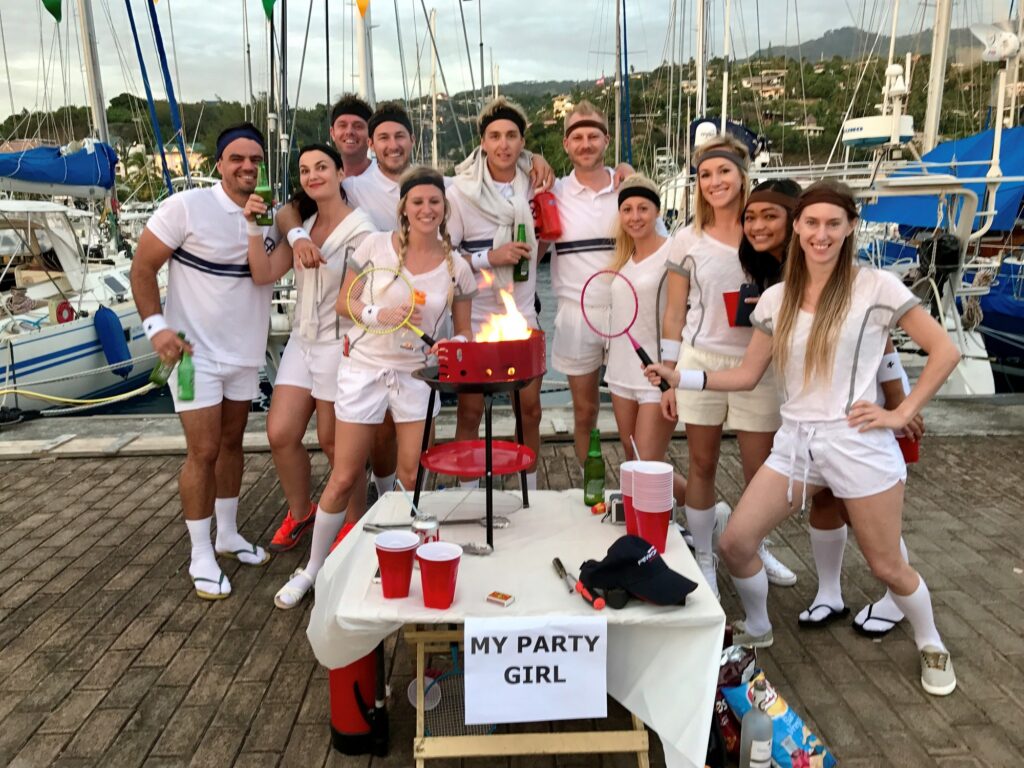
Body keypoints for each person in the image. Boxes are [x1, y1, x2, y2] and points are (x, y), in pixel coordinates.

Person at [647, 181, 960, 696]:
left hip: (856, 440)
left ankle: (932, 643)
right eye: (811, 223)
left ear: (850, 228)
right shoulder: (775, 298)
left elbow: (943, 351)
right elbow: (748, 375)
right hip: (795, 441)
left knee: (886, 563)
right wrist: (683, 377)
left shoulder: (877, 287)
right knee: (736, 542)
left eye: (833, 224)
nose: (821, 234)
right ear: (798, 228)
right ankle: (759, 627)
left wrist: (900, 410)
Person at [277, 166, 476, 607]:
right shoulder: (373, 245)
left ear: (445, 209)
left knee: (412, 476)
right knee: (346, 474)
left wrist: (451, 345)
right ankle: (312, 569)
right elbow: (348, 301)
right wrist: (375, 316)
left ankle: (399, 561)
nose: (426, 209)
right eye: (418, 201)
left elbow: (463, 333)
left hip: (416, 376)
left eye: (435, 202)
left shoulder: (457, 266)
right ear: (403, 206)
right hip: (364, 368)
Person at [741, 179, 923, 635]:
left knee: (871, 518)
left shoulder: (859, 279)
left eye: (769, 217)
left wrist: (899, 405)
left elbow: (875, 341)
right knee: (825, 500)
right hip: (801, 420)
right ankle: (829, 593)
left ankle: (898, 600)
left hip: (852, 417)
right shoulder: (767, 277)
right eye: (751, 219)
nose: (758, 227)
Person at [129, 122, 273, 600]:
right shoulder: (186, 206)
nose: (247, 166)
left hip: (246, 353)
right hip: (191, 355)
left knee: (233, 444)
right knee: (203, 451)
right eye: (238, 158)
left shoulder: (269, 215)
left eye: (255, 159)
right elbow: (142, 266)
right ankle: (200, 553)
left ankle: (228, 535)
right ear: (220, 165)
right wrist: (157, 329)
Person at [660, 135, 795, 598]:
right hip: (701, 361)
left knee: (762, 472)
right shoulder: (685, 240)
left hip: (759, 362)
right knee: (702, 462)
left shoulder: (764, 233)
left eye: (724, 172)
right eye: (705, 175)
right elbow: (675, 314)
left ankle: (755, 545)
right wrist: (667, 373)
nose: (715, 181)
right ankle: (704, 556)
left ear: (742, 176)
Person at [243, 144, 377, 574]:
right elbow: (265, 273)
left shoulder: (362, 231)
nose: (313, 175)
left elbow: (361, 297)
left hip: (339, 343)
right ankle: (303, 511)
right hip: (303, 339)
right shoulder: (305, 223)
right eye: (305, 170)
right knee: (280, 432)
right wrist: (254, 229)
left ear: (341, 174)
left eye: (322, 167)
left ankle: (353, 522)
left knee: (336, 440)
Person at [446, 97, 543, 491]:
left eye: (512, 136)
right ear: (482, 142)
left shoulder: (533, 183)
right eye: (495, 136)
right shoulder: (460, 192)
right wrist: (491, 256)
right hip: (477, 314)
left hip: (521, 311)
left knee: (530, 409)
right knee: (470, 411)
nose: (503, 144)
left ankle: (530, 489)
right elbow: (445, 256)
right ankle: (467, 489)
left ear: (523, 142)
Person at [548, 101, 639, 469]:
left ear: (606, 140)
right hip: (575, 312)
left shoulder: (629, 189)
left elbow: (660, 247)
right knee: (584, 412)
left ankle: (640, 493)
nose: (586, 144)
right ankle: (593, 490)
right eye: (578, 137)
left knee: (629, 416)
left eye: (593, 136)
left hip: (627, 313)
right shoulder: (551, 191)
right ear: (567, 144)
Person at [603, 175, 685, 502]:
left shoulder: (674, 253)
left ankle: (703, 507)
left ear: (657, 211)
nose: (635, 216)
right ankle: (685, 511)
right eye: (627, 209)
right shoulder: (624, 257)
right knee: (634, 460)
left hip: (657, 374)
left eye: (643, 208)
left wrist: (672, 372)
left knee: (648, 463)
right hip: (621, 372)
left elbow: (682, 313)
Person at [329, 94, 373, 178]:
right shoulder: (323, 180)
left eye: (358, 126)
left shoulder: (387, 178)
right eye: (342, 125)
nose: (349, 132)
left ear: (371, 134)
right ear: (332, 133)